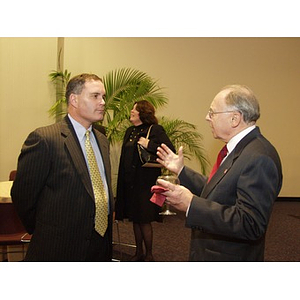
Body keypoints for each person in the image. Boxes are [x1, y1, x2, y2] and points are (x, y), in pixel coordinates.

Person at [156, 85, 282, 261]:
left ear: (234, 119)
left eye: (212, 113)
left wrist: (191, 204)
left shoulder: (259, 157)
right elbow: (218, 191)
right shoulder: (240, 149)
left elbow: (249, 223)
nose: (207, 118)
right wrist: (182, 171)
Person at [11, 73, 114, 261]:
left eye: (103, 96)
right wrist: (46, 229)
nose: (102, 102)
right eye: (95, 96)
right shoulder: (45, 139)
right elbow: (23, 195)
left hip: (100, 244)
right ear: (74, 99)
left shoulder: (101, 140)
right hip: (59, 247)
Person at [115, 100, 175, 261]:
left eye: (134, 109)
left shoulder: (155, 130)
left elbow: (170, 150)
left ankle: (149, 254)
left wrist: (150, 144)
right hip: (130, 182)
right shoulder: (129, 131)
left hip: (145, 183)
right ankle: (138, 252)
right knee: (135, 218)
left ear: (142, 112)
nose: (132, 111)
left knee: (144, 218)